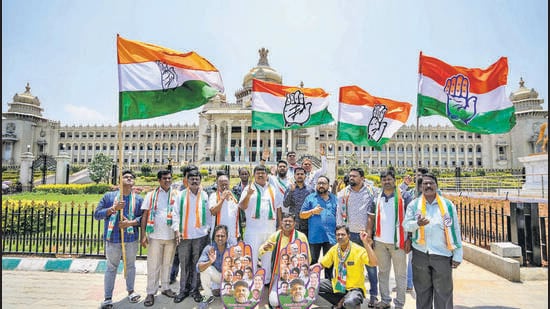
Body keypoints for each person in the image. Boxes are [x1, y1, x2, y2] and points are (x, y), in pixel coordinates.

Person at [403, 173, 463, 309]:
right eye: (425, 184)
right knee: (423, 293)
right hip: (420, 254)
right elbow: (406, 225)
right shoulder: (414, 205)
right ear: (420, 187)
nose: (428, 186)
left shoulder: (447, 205)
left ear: (436, 185)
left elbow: (455, 229)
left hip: (442, 254)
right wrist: (417, 224)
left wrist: (458, 254)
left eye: (431, 183)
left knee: (444, 293)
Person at [93, 170, 144, 309]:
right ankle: (108, 298)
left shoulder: (138, 199)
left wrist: (130, 223)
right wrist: (113, 208)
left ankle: (131, 291)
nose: (129, 178)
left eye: (131, 177)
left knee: (131, 266)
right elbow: (97, 214)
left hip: (131, 238)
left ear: (134, 182)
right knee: (111, 267)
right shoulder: (109, 197)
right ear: (119, 180)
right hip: (113, 239)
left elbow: (143, 218)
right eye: (125, 177)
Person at [365, 168, 413, 309]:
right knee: (383, 273)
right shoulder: (376, 197)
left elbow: (410, 219)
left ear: (394, 180)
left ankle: (399, 303)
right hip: (380, 242)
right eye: (384, 179)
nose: (387, 182)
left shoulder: (404, 196)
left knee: (400, 275)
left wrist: (409, 238)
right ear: (381, 182)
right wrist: (369, 237)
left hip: (399, 243)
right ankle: (385, 300)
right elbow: (370, 218)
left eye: (389, 179)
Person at [336, 167, 379, 307]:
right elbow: (338, 213)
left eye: (354, 176)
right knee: (346, 266)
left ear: (362, 178)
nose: (351, 178)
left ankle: (373, 295)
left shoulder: (371, 192)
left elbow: (388, 193)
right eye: (350, 176)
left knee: (370, 266)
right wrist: (340, 231)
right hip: (349, 235)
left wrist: (370, 235)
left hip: (365, 235)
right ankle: (347, 295)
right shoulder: (343, 193)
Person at [173, 169, 212, 304]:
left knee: (197, 263)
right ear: (187, 181)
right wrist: (177, 230)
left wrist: (207, 228)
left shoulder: (205, 195)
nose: (194, 181)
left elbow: (208, 214)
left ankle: (195, 290)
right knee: (184, 263)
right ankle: (183, 290)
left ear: (200, 180)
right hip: (184, 235)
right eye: (192, 179)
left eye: (197, 179)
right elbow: (176, 214)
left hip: (200, 235)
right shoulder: (180, 195)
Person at [140, 170, 178, 306]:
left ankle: (166, 287)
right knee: (153, 264)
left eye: (169, 178)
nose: (167, 181)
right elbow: (145, 215)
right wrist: (143, 234)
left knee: (168, 263)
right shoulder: (151, 195)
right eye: (164, 179)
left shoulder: (177, 194)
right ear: (159, 180)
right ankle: (151, 292)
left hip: (171, 236)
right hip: (155, 235)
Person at [316, 225, 378, 309]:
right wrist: (305, 271)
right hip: (338, 286)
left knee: (350, 302)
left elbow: (374, 263)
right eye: (338, 235)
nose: (340, 237)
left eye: (343, 234)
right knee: (314, 284)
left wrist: (366, 243)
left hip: (355, 288)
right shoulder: (334, 249)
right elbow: (321, 265)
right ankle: (341, 301)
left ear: (349, 236)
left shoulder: (358, 250)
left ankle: (350, 303)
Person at [239, 164, 281, 284]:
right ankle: (250, 281)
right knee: (251, 255)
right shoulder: (249, 188)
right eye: (258, 173)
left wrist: (279, 224)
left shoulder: (272, 189)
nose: (261, 175)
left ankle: (266, 280)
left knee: (267, 257)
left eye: (263, 173)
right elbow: (242, 206)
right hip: (253, 230)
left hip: (270, 229)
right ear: (254, 175)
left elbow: (278, 208)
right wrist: (248, 194)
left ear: (267, 175)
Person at [258, 213, 310, 307]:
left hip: (296, 275)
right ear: (281, 223)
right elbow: (261, 251)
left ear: (294, 223)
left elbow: (308, 258)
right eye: (285, 221)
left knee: (297, 300)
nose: (287, 223)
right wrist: (265, 248)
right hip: (279, 275)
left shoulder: (301, 236)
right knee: (274, 302)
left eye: (290, 221)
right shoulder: (276, 236)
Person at [300, 175, 337, 280]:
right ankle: (311, 285)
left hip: (330, 236)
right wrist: (312, 211)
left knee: (329, 263)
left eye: (323, 183)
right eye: (319, 183)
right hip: (315, 236)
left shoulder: (334, 199)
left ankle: (328, 287)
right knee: (313, 262)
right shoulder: (310, 198)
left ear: (328, 186)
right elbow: (301, 214)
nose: (321, 185)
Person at [171, 164, 199, 284]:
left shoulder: (200, 190)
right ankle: (172, 276)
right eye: (190, 176)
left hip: (193, 230)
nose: (193, 179)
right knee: (177, 255)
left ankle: (194, 281)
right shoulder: (176, 189)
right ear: (185, 178)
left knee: (194, 258)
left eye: (195, 177)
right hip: (179, 229)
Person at [196, 225, 231, 306]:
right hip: (218, 277)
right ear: (214, 237)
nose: (220, 238)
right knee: (205, 269)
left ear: (227, 237)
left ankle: (228, 292)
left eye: (222, 236)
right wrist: (210, 262)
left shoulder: (232, 249)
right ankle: (208, 296)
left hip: (230, 278)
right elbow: (198, 268)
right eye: (217, 236)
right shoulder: (209, 248)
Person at [209, 174, 240, 245]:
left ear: (229, 183)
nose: (224, 187)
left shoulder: (234, 197)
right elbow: (213, 212)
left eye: (226, 184)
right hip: (219, 236)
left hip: (233, 236)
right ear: (217, 185)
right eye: (221, 185)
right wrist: (222, 199)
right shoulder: (214, 196)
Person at [283, 167, 313, 236]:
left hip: (306, 225)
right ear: (294, 176)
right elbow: (285, 204)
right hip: (293, 224)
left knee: (304, 245)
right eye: (298, 174)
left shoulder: (310, 190)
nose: (299, 176)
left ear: (305, 176)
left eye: (302, 174)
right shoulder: (290, 188)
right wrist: (291, 191)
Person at [267, 159, 292, 228]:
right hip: (275, 211)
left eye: (284, 166)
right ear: (277, 168)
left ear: (287, 168)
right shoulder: (272, 179)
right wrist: (263, 159)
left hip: (288, 211)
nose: (282, 168)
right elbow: (260, 172)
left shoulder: (291, 181)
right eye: (280, 167)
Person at [232, 167, 250, 240]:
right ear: (239, 175)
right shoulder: (235, 188)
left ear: (249, 175)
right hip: (239, 215)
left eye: (246, 174)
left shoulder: (253, 187)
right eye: (242, 174)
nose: (244, 176)